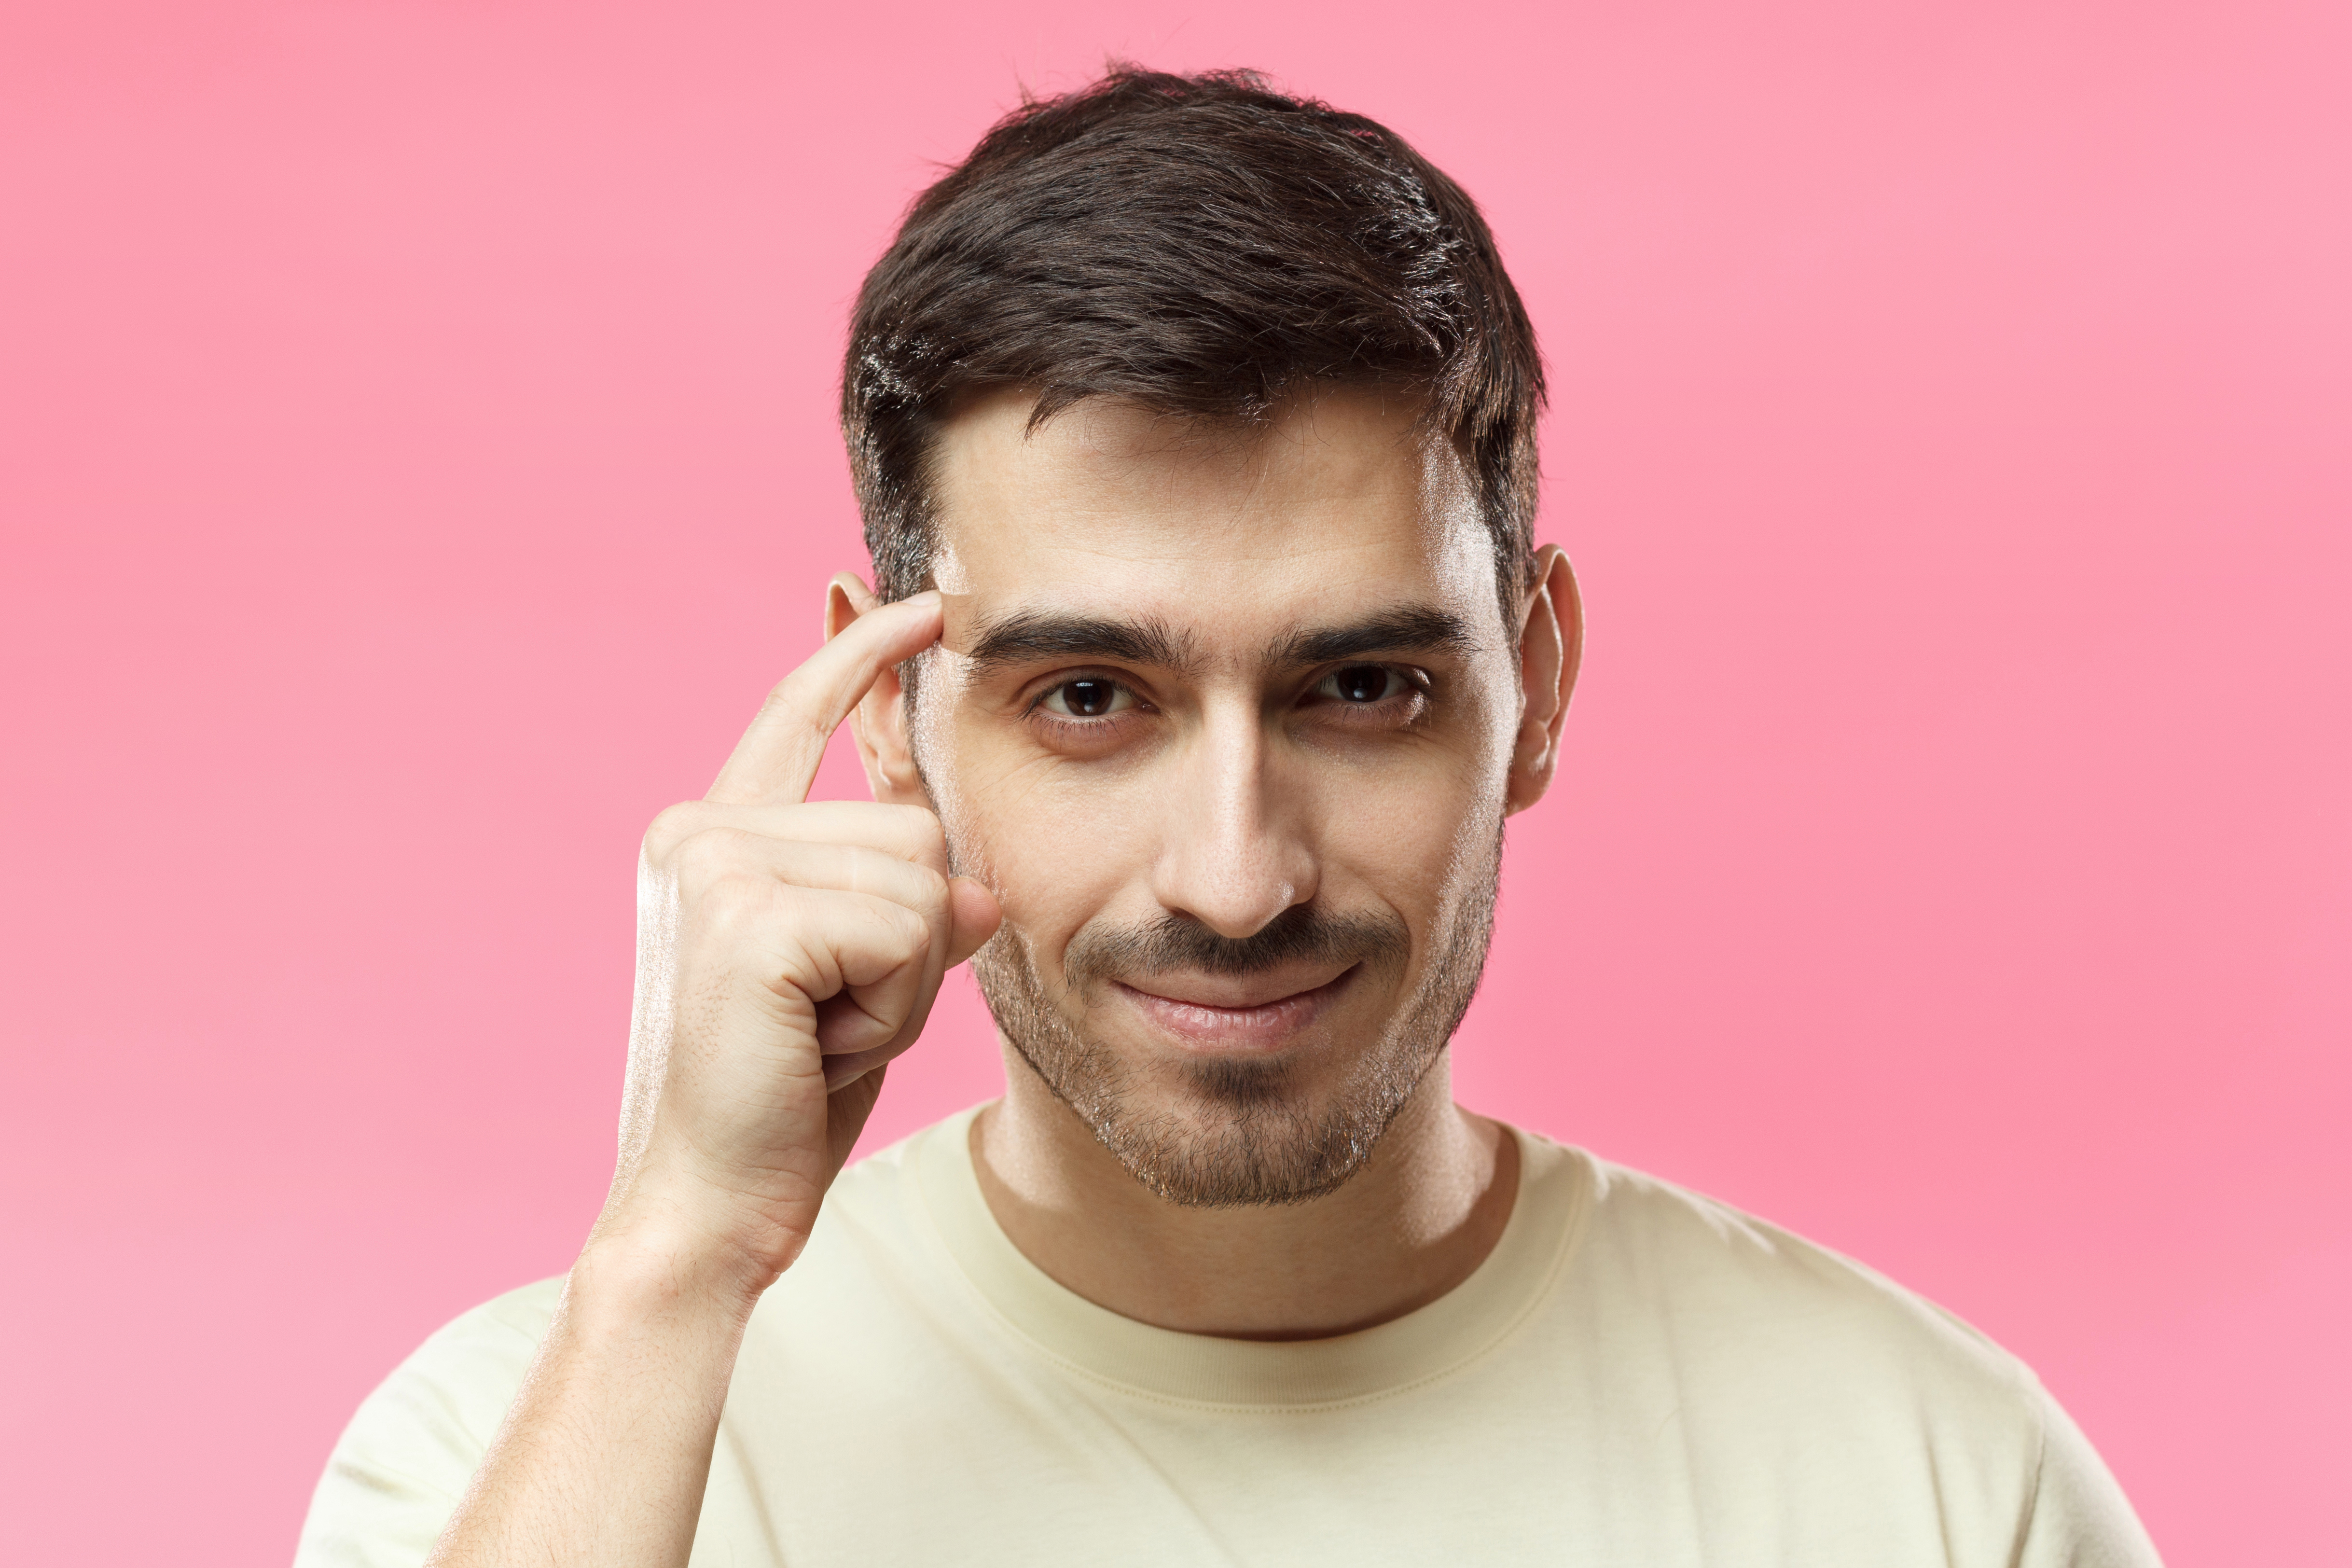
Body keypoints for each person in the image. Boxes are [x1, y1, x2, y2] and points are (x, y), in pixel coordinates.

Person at [296, 67, 2160, 1568]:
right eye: (1089, 698)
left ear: (1537, 682)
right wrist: (672, 1264)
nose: (1236, 873)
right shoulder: (533, 1456)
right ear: (890, 712)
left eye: (1360, 688)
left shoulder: (1933, 1492)